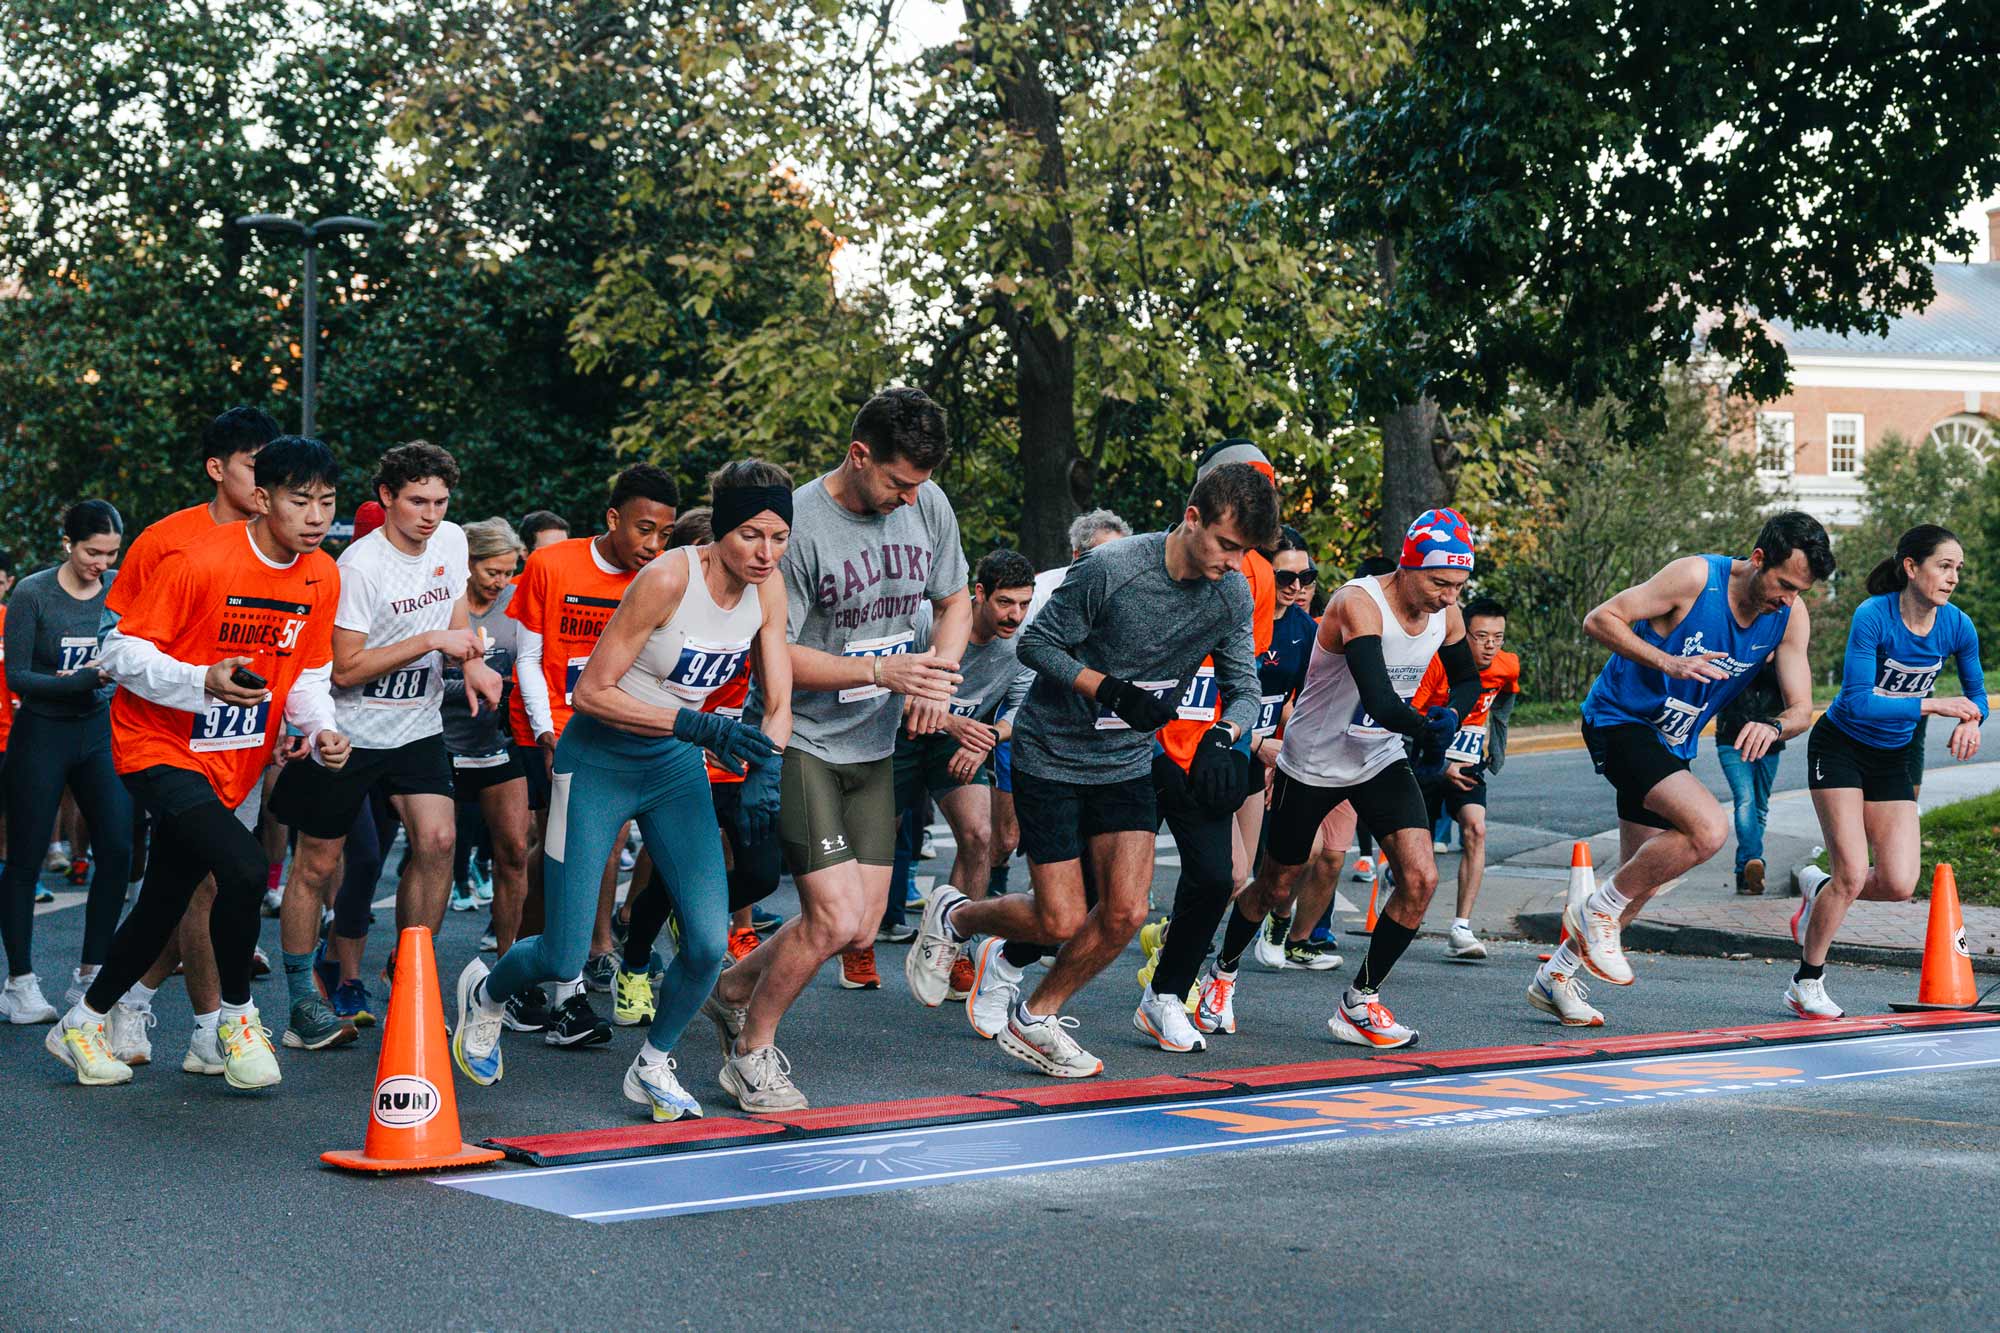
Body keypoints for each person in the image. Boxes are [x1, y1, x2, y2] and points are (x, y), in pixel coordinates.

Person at [456, 461, 793, 1120]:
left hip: (672, 767)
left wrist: (769, 762)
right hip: (599, 763)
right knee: (561, 951)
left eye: (779, 537)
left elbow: (778, 695)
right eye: (753, 534)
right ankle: (487, 995)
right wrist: (693, 721)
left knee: (704, 941)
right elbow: (591, 692)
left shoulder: (768, 587)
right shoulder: (668, 577)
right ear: (722, 525)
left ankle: (653, 1063)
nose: (766, 552)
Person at [918, 462, 1275, 1075]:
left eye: (1246, 552)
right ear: (1192, 520)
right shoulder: (1114, 569)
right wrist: (1108, 689)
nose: (1235, 563)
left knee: (1125, 913)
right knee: (1058, 919)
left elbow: (1245, 687)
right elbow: (1034, 645)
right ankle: (956, 914)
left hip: (1128, 761)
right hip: (1051, 755)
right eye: (1227, 545)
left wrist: (1227, 732)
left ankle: (1037, 1018)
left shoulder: (1230, 592)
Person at [50, 436, 348, 1089]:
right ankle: (238, 1020)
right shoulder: (197, 561)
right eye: (302, 501)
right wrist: (202, 679)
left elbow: (307, 672)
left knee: (163, 900)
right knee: (242, 866)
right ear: (264, 499)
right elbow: (120, 655)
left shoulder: (322, 574)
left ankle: (83, 1016)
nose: (317, 516)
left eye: (327, 501)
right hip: (154, 742)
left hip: (231, 757)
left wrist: (321, 726)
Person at [703, 386, 970, 1113]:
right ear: (859, 455)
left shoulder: (928, 504)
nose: (908, 499)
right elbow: (774, 656)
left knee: (857, 921)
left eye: (918, 485)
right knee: (827, 915)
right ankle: (750, 1048)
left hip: (874, 745)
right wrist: (883, 671)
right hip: (802, 740)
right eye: (896, 483)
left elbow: (955, 601)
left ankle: (729, 986)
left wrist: (938, 679)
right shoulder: (798, 526)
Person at [1532, 510, 1831, 1027]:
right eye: (1784, 584)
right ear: (1758, 559)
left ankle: (1555, 977)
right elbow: (1599, 619)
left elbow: (1802, 707)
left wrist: (1776, 726)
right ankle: (1594, 913)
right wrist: (1669, 663)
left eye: (1799, 590)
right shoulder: (1695, 579)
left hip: (1672, 740)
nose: (1788, 598)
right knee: (1708, 829)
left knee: (1643, 877)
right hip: (1619, 720)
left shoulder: (1790, 616)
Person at [1200, 510, 1481, 1050]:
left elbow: (1467, 679)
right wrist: (1429, 727)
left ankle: (1360, 1002)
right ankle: (1222, 975)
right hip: (1314, 760)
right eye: (1440, 583)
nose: (1448, 598)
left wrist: (1452, 714)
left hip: (1377, 755)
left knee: (1421, 878)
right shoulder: (1358, 603)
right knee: (1278, 883)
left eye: (1458, 586)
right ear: (1407, 566)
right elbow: (1377, 695)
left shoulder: (1448, 614)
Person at [267, 442, 501, 1051]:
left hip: (417, 727)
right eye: (416, 501)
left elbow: (453, 615)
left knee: (441, 840)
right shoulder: (360, 567)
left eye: (440, 501)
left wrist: (471, 659)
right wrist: (430, 640)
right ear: (386, 499)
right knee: (319, 864)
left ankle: (413, 983)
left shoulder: (451, 541)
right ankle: (301, 1000)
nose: (429, 514)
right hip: (349, 732)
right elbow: (344, 669)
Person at [93, 405, 281, 1073]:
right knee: (214, 877)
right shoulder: (165, 541)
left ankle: (120, 999)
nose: (268, 481)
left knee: (183, 887)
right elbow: (121, 645)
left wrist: (293, 721)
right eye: (256, 466)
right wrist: (200, 680)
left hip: (245, 745)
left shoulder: (287, 546)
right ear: (217, 468)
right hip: (169, 741)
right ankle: (211, 1027)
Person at [506, 464, 679, 1042]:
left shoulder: (660, 578)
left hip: (616, 730)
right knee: (559, 852)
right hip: (551, 727)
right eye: (644, 529)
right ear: (613, 518)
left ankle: (546, 977)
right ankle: (543, 980)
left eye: (665, 535)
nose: (653, 546)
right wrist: (547, 729)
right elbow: (529, 656)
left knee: (581, 851)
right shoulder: (552, 564)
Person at [1792, 525, 1985, 1019]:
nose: (1952, 577)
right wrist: (1936, 705)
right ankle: (1805, 982)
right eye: (1944, 566)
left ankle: (1818, 888)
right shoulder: (1873, 617)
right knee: (1853, 872)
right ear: (1911, 567)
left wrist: (1974, 719)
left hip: (1891, 755)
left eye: (1958, 568)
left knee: (1899, 882)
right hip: (1841, 746)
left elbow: (1977, 692)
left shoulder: (1957, 626)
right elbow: (1857, 701)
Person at [1127, 443, 1278, 1050]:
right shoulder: (1133, 563)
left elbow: (1241, 675)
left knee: (1219, 877)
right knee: (1101, 900)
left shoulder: (1251, 577)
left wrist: (1231, 742)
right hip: (1131, 739)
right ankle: (999, 951)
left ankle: (1165, 995)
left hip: (1201, 744)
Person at [0, 502, 133, 1025]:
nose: (100, 563)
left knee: (118, 847)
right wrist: (76, 682)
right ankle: (20, 982)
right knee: (26, 855)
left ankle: (90, 973)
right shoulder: (33, 592)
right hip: (43, 730)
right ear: (68, 545)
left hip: (98, 731)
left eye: (110, 553)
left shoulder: (118, 587)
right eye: (91, 552)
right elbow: (18, 678)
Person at [882, 548, 1032, 1000]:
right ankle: (859, 942)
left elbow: (1019, 711)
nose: (1016, 615)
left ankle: (951, 944)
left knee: (981, 835)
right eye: (1006, 602)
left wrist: (986, 736)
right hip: (898, 732)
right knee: (877, 845)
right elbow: (890, 688)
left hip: (960, 738)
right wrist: (954, 724)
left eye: (1024, 604)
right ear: (979, 594)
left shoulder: (1021, 646)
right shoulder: (933, 621)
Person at [991, 510, 1132, 900]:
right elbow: (1010, 658)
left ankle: (1053, 910)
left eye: (1121, 555)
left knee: (1079, 834)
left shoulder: (1131, 597)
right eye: (1104, 556)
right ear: (1076, 556)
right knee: (1005, 836)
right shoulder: (1040, 592)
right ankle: (994, 889)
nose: (1114, 566)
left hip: (1092, 730)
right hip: (1030, 719)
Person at [440, 518, 531, 976]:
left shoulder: (515, 603)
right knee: (435, 854)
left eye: (509, 572)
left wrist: (511, 688)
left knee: (513, 850)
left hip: (497, 741)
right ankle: (410, 957)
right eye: (493, 571)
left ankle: (507, 962)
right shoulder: (445, 602)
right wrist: (474, 685)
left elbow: (531, 665)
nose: (502, 582)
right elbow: (424, 681)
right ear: (468, 563)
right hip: (440, 742)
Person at [1408, 595, 1520, 960]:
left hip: (1468, 763)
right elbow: (1408, 722)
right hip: (1427, 764)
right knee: (1414, 854)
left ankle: (1461, 927)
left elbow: (1504, 701)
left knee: (1476, 829)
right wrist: (1441, 766)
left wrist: (1496, 749)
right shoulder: (1438, 666)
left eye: (1498, 637)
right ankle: (1399, 882)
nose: (1490, 645)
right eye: (1481, 636)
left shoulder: (1507, 666)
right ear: (1464, 634)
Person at [1715, 661, 1786, 896]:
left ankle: (1743, 872)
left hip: (1769, 742)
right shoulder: (1740, 652)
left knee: (1760, 808)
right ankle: (1754, 860)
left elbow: (1790, 693)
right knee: (1745, 799)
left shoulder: (1783, 658)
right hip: (1732, 738)